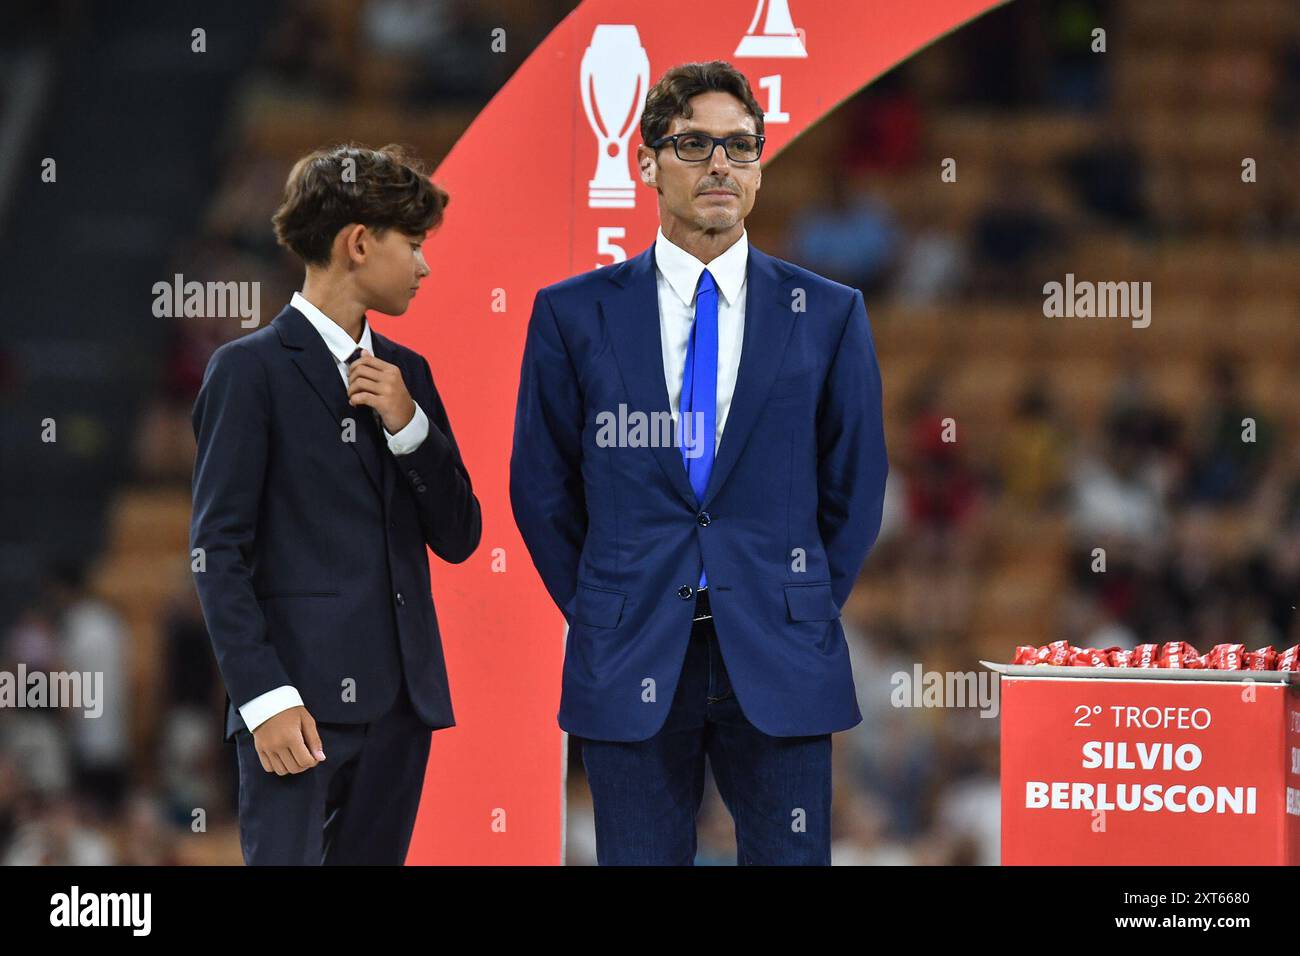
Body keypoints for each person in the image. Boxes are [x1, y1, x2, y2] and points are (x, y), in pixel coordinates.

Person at [510, 62, 888, 865]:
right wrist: (604, 603)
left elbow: (855, 489)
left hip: (780, 652)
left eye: (741, 146)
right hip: (632, 650)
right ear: (645, 162)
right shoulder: (572, 313)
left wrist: (794, 597)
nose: (721, 164)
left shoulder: (828, 314)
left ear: (758, 167)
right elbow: (541, 488)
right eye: (695, 144)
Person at [190, 143, 481, 864]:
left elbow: (460, 534)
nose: (424, 265)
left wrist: (412, 428)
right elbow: (217, 552)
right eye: (413, 245)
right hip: (295, 709)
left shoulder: (408, 374)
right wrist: (262, 697)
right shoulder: (247, 369)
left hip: (404, 710)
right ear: (358, 242)